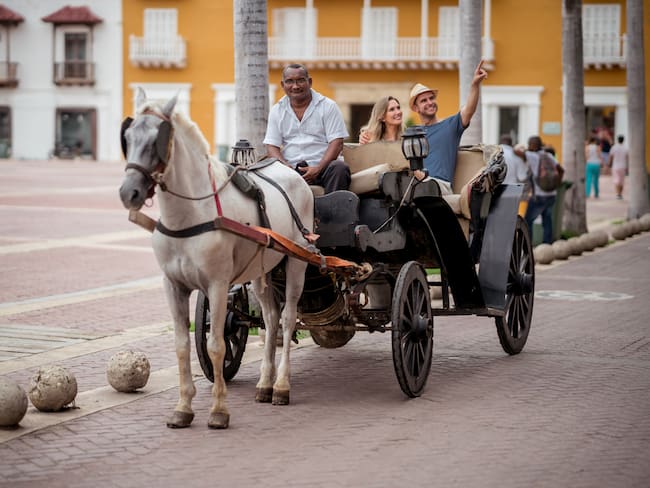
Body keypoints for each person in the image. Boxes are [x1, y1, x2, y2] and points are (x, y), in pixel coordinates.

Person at [264, 63, 350, 193]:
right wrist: (284, 165)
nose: (295, 86)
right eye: (290, 81)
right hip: (290, 170)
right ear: (283, 85)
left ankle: (332, 211)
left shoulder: (328, 106)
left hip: (324, 168)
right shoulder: (277, 110)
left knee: (340, 168)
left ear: (309, 82)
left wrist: (318, 168)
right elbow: (272, 146)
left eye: (300, 80)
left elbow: (337, 143)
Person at [409, 60, 488, 195]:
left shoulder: (450, 125)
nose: (430, 102)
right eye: (424, 100)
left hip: (439, 186)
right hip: (416, 186)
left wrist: (475, 85)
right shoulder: (413, 134)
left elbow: (469, 110)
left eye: (431, 98)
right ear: (416, 108)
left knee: (424, 188)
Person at [524, 135, 561, 244]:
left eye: (529, 144)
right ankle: (547, 244)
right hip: (552, 194)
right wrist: (557, 184)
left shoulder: (532, 156)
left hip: (540, 196)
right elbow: (561, 170)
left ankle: (528, 245)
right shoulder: (549, 155)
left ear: (533, 145)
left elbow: (517, 152)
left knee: (527, 220)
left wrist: (526, 150)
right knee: (547, 220)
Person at [500, 135, 532, 215]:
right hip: (512, 190)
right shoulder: (516, 156)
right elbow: (522, 177)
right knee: (509, 215)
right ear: (511, 144)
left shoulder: (493, 153)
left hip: (496, 189)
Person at [608, 134, 629, 200]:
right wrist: (628, 167)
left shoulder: (614, 147)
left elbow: (611, 156)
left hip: (615, 166)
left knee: (616, 180)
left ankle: (618, 194)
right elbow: (627, 158)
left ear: (617, 140)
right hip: (623, 166)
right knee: (622, 181)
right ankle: (620, 194)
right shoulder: (626, 148)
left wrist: (609, 164)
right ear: (623, 140)